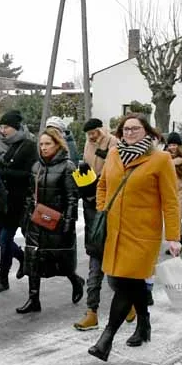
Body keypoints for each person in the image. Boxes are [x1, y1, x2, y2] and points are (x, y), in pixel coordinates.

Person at [88, 114, 181, 362]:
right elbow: (103, 185)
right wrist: (102, 210)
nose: (129, 133)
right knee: (122, 282)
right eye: (125, 129)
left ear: (147, 131)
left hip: (142, 234)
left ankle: (106, 338)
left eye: (135, 129)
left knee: (126, 284)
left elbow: (171, 201)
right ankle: (144, 323)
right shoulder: (114, 154)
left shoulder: (160, 159)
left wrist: (174, 236)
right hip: (114, 231)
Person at [17, 127, 85, 314]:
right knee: (33, 258)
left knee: (60, 260)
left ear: (57, 144)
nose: (44, 148)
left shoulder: (68, 166)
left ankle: (75, 280)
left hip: (57, 222)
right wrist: (26, 218)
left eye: (48, 144)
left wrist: (68, 223)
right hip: (36, 221)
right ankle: (33, 299)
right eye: (41, 144)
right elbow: (30, 195)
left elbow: (72, 197)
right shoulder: (36, 166)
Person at [74, 118, 119, 331]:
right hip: (91, 204)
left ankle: (128, 302)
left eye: (94, 132)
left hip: (111, 206)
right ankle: (91, 311)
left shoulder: (114, 143)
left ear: (102, 129)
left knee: (114, 264)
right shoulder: (88, 144)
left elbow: (115, 175)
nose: (92, 136)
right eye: (89, 133)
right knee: (95, 258)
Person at [0, 110, 37, 293]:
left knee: (4, 238)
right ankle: (22, 257)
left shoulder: (28, 146)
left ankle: (3, 278)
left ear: (16, 128)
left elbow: (29, 174)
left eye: (6, 127)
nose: (2, 130)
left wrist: (3, 173)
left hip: (16, 200)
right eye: (1, 127)